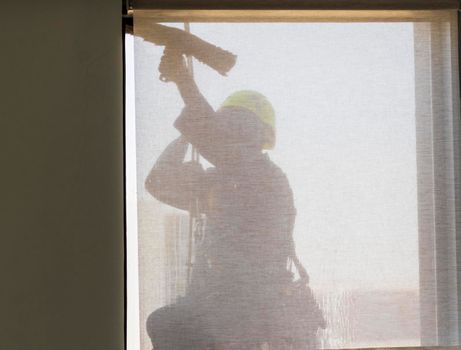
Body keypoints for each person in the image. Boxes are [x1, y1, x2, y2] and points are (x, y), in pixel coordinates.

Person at [145, 51, 324, 350]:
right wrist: (187, 138)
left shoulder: (266, 180)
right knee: (164, 323)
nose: (227, 132)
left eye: (236, 125)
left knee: (170, 324)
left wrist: (183, 82)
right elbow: (158, 182)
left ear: (256, 136)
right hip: (216, 314)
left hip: (248, 318)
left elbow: (216, 143)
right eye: (225, 124)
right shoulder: (223, 183)